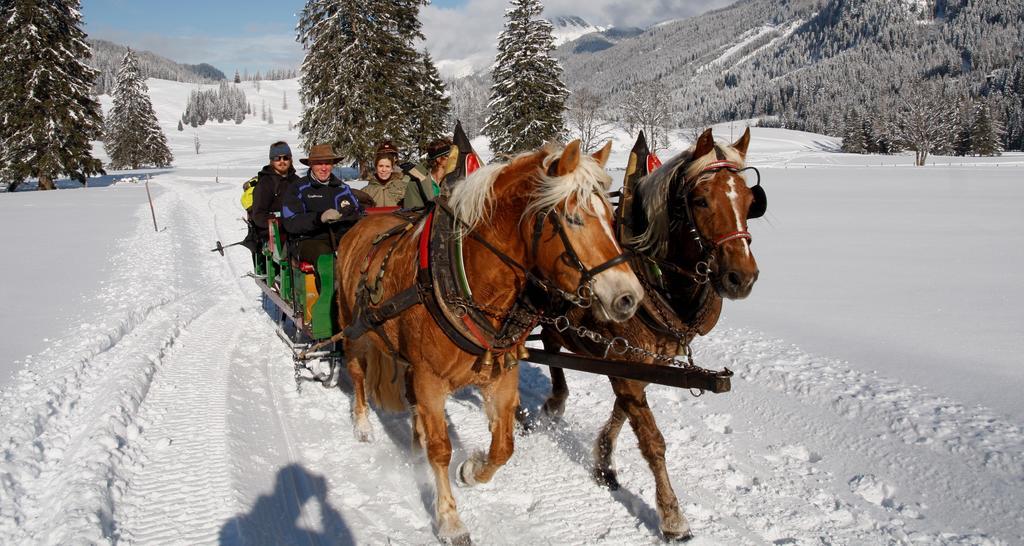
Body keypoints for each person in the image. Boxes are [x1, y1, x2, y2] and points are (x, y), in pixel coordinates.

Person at [282, 144, 366, 264]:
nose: (324, 168)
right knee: (326, 259)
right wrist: (319, 218)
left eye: (327, 163)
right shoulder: (298, 188)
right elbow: (291, 221)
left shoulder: (343, 188)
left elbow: (358, 213)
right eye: (319, 163)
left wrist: (350, 214)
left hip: (342, 238)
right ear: (311, 165)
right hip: (308, 240)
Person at [250, 141, 300, 243]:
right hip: (273, 233)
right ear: (272, 161)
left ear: (290, 159)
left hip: (295, 228)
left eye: (285, 158)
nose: (282, 161)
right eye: (277, 158)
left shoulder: (296, 181)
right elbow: (258, 215)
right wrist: (279, 222)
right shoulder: (265, 184)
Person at [403, 137, 453, 209]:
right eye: (449, 156)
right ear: (438, 159)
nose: (454, 159)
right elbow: (411, 215)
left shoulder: (453, 181)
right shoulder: (416, 182)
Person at [362, 141, 407, 207]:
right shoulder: (367, 190)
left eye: (391, 155)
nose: (384, 169)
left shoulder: (404, 184)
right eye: (381, 166)